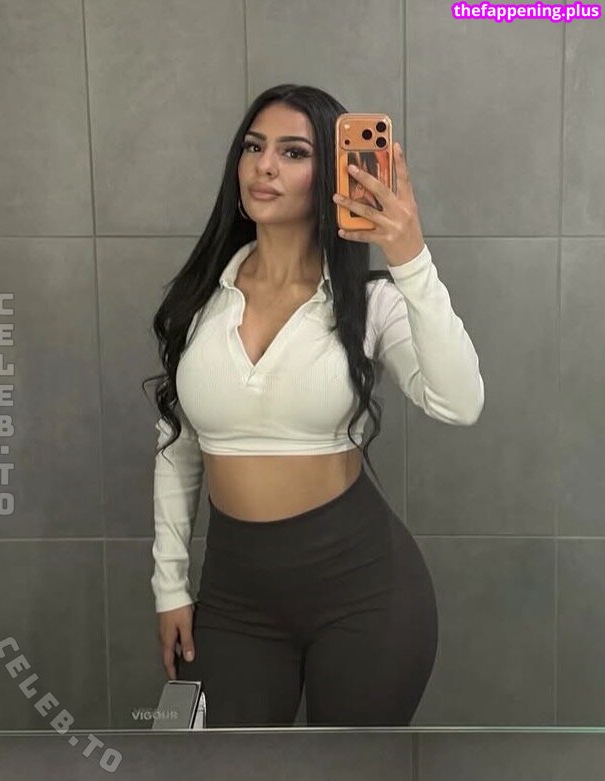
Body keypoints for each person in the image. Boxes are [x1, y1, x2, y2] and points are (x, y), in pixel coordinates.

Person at [143, 84, 485, 728]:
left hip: (365, 591)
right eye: (253, 147)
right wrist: (170, 586)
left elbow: (460, 402)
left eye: (293, 152)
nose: (264, 166)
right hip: (234, 597)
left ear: (331, 174)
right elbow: (178, 448)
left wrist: (410, 258)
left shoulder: (371, 302)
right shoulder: (200, 300)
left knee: (351, 770)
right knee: (212, 765)